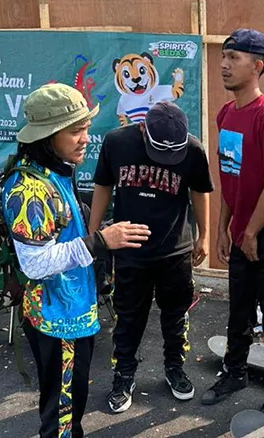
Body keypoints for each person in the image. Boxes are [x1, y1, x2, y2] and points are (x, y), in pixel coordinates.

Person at [2, 83, 150, 438]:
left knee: (70, 406)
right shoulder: (28, 190)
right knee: (62, 416)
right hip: (56, 321)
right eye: (75, 131)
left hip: (72, 312)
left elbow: (66, 235)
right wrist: (101, 241)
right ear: (48, 136)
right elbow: (35, 264)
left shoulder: (57, 170)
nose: (85, 138)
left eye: (85, 128)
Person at [201, 28, 264, 421]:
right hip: (243, 230)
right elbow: (230, 175)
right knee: (238, 308)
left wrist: (252, 232)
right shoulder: (226, 114)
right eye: (223, 56)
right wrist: (227, 226)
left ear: (257, 66)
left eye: (234, 57)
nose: (224, 64)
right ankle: (235, 372)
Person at [89, 100, 213, 412]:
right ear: (143, 127)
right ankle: (124, 375)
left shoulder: (194, 151)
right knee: (128, 318)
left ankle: (175, 368)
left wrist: (205, 235)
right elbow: (103, 185)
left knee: (176, 316)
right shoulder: (117, 143)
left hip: (175, 250)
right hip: (130, 249)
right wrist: (94, 237)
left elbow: (200, 191)